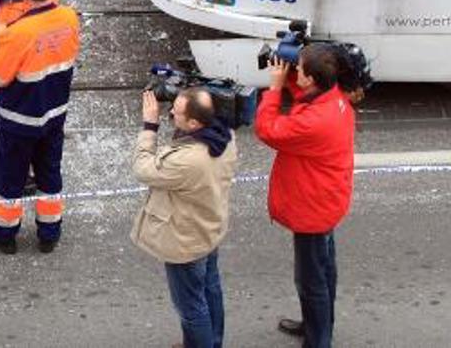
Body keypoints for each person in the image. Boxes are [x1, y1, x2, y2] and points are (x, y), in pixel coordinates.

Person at [255, 46, 356, 348]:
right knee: (324, 271)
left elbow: (268, 129)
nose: (293, 71)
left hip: (311, 208)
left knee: (311, 281)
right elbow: (305, 98)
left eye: (297, 68)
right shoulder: (332, 95)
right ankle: (319, 324)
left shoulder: (313, 122)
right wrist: (288, 79)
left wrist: (274, 88)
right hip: (326, 199)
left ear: (311, 78)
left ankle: (318, 340)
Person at [0, 0, 79, 254]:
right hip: (55, 114)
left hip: (18, 121)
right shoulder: (69, 17)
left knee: (9, 177)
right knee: (49, 172)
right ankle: (49, 233)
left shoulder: (18, 33)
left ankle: (4, 233)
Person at [133, 88, 238, 348]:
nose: (169, 113)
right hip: (208, 229)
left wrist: (149, 126)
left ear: (194, 123)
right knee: (210, 290)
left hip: (184, 242)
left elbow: (143, 168)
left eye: (176, 113)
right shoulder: (225, 137)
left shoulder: (188, 161)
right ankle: (212, 341)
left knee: (191, 308)